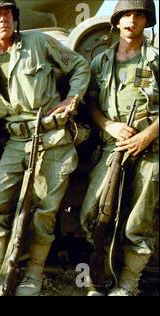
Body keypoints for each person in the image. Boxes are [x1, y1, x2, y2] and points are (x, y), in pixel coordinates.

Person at [0, 0, 90, 296]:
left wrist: (72, 98)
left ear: (14, 18)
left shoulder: (39, 42)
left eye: (6, 13)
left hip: (52, 137)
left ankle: (33, 273)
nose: (2, 19)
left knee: (44, 210)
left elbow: (80, 65)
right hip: (16, 140)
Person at [80, 0, 158, 296]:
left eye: (138, 15)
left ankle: (128, 283)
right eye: (126, 14)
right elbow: (90, 102)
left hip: (150, 149)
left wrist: (146, 136)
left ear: (146, 21)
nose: (131, 20)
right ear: (116, 20)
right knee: (93, 213)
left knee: (138, 223)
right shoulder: (101, 60)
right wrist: (108, 125)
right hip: (113, 147)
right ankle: (99, 275)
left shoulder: (156, 59)